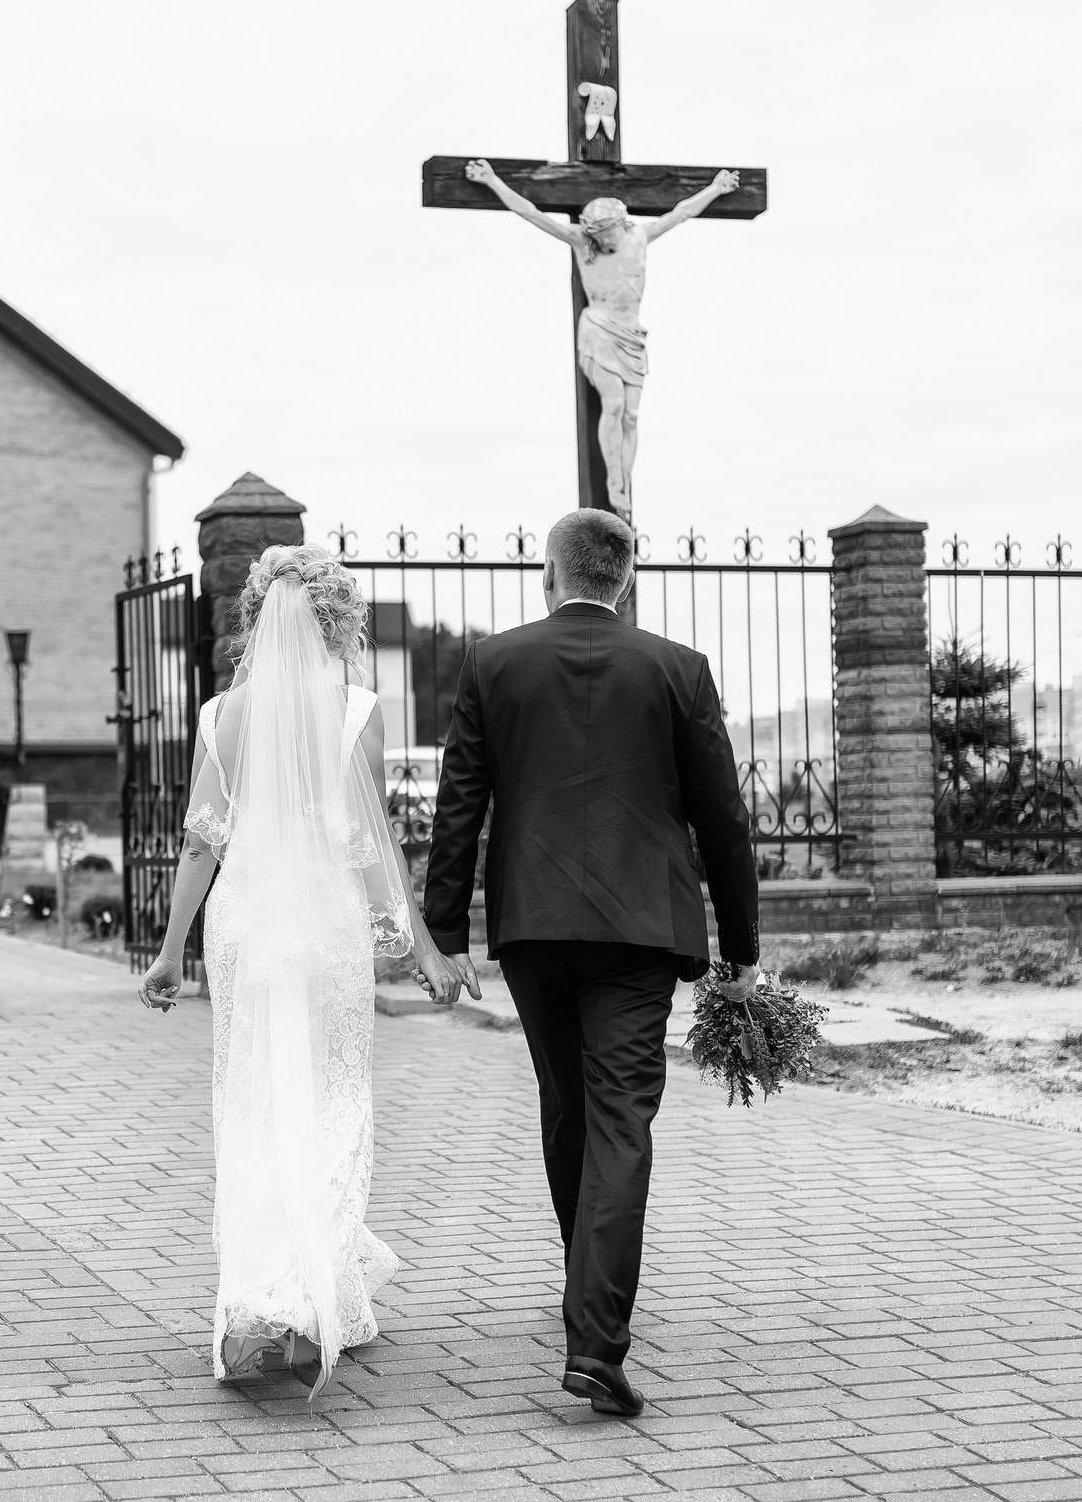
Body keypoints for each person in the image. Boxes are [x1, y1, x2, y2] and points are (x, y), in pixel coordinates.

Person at [419, 508, 759, 1419]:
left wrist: (444, 929)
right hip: (641, 930)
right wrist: (742, 950)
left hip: (532, 926)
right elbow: (724, 818)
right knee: (619, 1118)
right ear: (628, 578)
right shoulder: (678, 669)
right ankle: (595, 1338)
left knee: (568, 1108)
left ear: (548, 572)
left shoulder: (494, 663)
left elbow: (461, 805)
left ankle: (588, 1296)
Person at [137, 545, 464, 1400]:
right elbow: (370, 839)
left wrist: (172, 951)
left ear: (258, 619)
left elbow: (202, 843)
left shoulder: (219, 715)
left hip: (247, 920)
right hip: (324, 923)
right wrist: (418, 942)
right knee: (331, 1099)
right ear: (335, 622)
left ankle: (266, 1297)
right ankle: (304, 1292)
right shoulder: (355, 708)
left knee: (256, 1102)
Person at [460, 159, 741, 520]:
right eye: (596, 237)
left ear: (618, 226)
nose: (602, 242)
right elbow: (531, 213)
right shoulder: (582, 243)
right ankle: (614, 483)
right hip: (598, 330)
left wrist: (717, 188)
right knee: (613, 404)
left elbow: (682, 212)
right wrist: (492, 181)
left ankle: (623, 478)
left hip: (632, 336)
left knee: (632, 415)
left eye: (606, 235)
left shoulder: (640, 237)